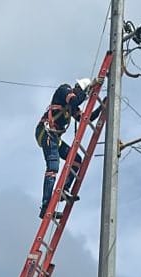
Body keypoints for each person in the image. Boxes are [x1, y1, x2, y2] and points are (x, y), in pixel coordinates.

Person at [35, 77, 101, 219]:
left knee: (76, 159)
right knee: (53, 166)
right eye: (81, 91)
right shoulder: (64, 90)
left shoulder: (72, 107)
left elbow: (87, 119)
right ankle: (46, 207)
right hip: (45, 132)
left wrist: (103, 105)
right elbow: (75, 100)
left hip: (54, 138)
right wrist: (89, 89)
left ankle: (65, 189)